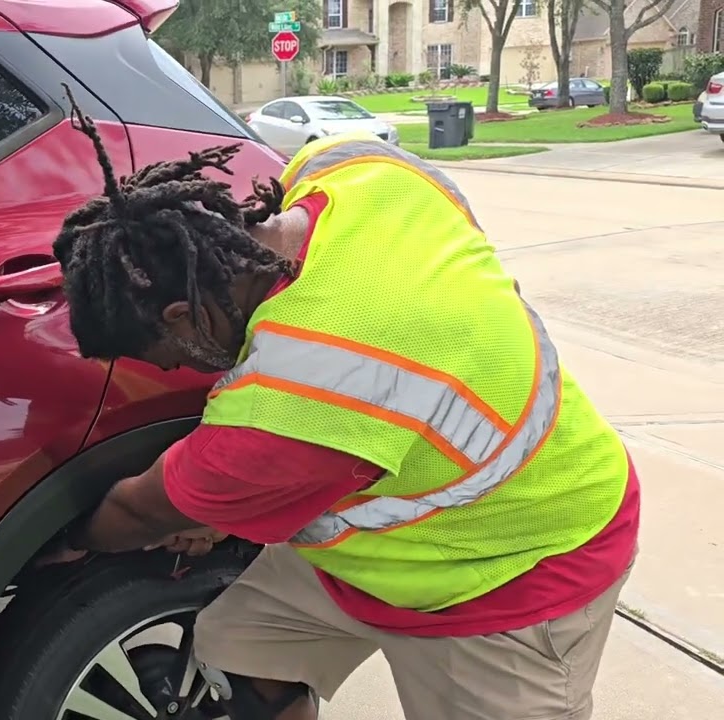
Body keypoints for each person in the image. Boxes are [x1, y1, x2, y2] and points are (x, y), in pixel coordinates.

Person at [39, 88, 641, 720]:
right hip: (377, 560)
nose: (174, 371)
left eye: (167, 355)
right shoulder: (355, 168)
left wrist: (74, 541)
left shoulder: (298, 395)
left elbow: (140, 511)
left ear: (183, 315)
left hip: (515, 574)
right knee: (241, 653)